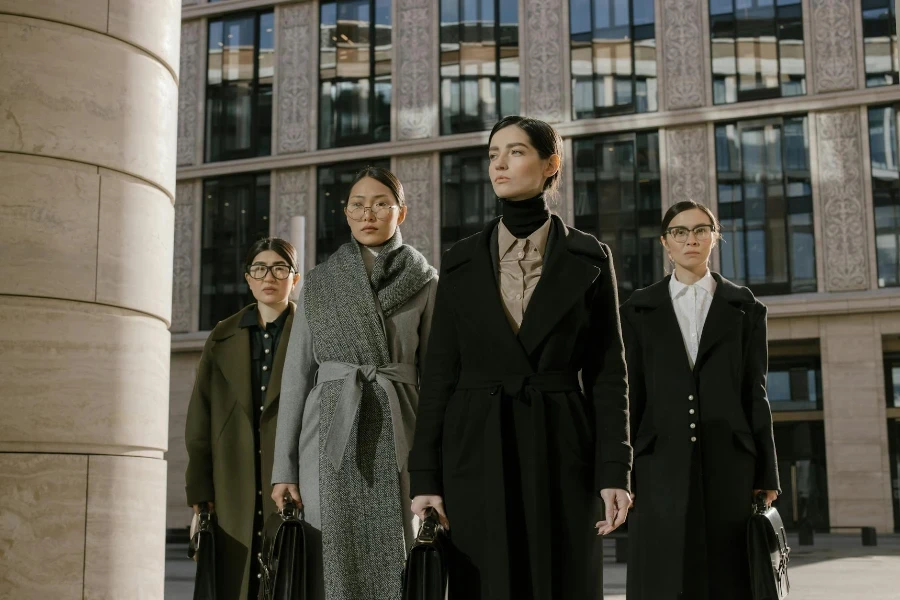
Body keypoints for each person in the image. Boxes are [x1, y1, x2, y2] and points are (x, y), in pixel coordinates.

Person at [407, 116, 633, 599]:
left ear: (551, 164)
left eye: (515, 152)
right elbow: (440, 372)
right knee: (482, 583)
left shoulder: (590, 257)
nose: (499, 165)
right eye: (493, 154)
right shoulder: (461, 259)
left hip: (562, 442)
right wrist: (425, 476)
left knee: (562, 580)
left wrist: (615, 471)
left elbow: (608, 374)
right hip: (476, 445)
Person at [271, 166, 437, 600]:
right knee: (328, 560)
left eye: (381, 203)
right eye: (358, 204)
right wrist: (283, 469)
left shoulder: (426, 280)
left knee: (398, 554)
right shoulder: (319, 282)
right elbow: (295, 378)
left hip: (398, 426)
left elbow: (438, 378)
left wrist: (435, 468)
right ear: (346, 213)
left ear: (400, 213)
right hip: (326, 435)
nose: (369, 213)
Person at [620, 200, 780, 600]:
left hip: (731, 463)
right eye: (679, 232)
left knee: (729, 576)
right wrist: (621, 472)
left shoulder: (746, 308)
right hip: (656, 464)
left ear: (714, 238)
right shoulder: (637, 309)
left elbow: (754, 390)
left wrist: (767, 474)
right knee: (661, 576)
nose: (690, 239)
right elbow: (630, 395)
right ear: (665, 243)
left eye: (700, 230)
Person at [184, 237, 301, 600]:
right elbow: (200, 418)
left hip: (292, 482)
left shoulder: (312, 333)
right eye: (259, 269)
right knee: (235, 583)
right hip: (231, 483)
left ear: (294, 279)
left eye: (280, 268)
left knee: (290, 580)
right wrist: (200, 494)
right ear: (248, 278)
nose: (270, 276)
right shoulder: (222, 335)